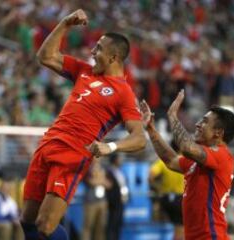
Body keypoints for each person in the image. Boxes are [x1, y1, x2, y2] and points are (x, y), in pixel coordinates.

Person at [20, 9, 146, 240]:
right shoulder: (84, 71)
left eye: (98, 48)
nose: (92, 51)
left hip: (73, 152)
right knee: (27, 220)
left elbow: (139, 138)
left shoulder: (124, 93)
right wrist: (65, 24)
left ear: (113, 58)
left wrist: (111, 147)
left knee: (45, 225)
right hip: (48, 144)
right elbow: (45, 56)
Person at [140, 89, 234, 240]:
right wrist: (151, 129)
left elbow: (186, 148)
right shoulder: (201, 161)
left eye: (205, 121)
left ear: (218, 133)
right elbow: (171, 160)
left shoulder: (222, 155)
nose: (198, 124)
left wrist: (173, 116)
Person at [148, 142, 184, 240]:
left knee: (165, 227)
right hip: (180, 199)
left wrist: (158, 187)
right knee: (180, 229)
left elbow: (151, 175)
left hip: (165, 199)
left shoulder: (164, 161)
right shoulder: (184, 161)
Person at [82, 158, 109, 240]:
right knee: (88, 227)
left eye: (99, 157)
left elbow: (109, 184)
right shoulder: (87, 169)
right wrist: (101, 181)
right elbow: (90, 182)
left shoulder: (103, 168)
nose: (97, 159)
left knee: (101, 227)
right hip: (90, 202)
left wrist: (98, 180)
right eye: (95, 157)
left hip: (102, 202)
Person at [105, 153, 129, 240]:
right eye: (119, 158)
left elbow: (124, 184)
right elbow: (109, 187)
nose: (121, 160)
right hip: (113, 202)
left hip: (121, 201)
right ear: (114, 160)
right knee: (112, 225)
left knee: (118, 225)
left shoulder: (120, 171)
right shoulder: (109, 171)